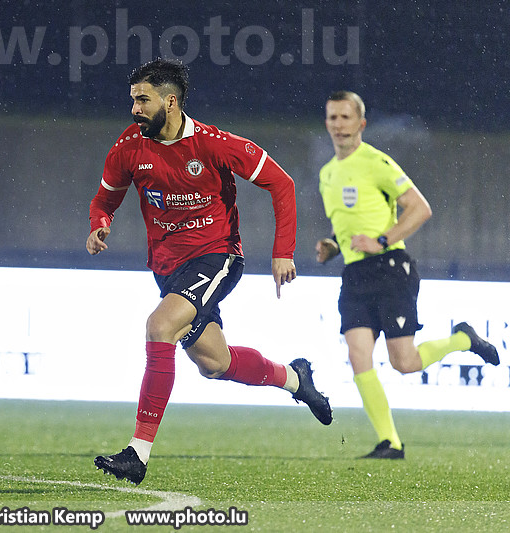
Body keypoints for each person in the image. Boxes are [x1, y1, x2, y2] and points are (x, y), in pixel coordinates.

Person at [86, 58, 332, 485]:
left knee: (159, 326)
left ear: (171, 101)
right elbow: (104, 199)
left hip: (217, 257)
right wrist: (99, 224)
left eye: (143, 100)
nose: (135, 109)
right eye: (133, 100)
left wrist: (283, 252)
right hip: (167, 268)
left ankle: (137, 453)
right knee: (215, 363)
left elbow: (282, 183)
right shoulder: (129, 146)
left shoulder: (214, 144)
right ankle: (296, 379)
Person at [315, 90, 500, 459]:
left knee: (405, 363)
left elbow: (420, 208)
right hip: (354, 274)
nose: (339, 125)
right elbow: (349, 222)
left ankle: (462, 339)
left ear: (361, 124)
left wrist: (382, 240)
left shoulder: (376, 162)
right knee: (358, 356)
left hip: (390, 270)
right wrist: (333, 245)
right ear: (327, 122)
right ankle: (391, 442)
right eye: (333, 117)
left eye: (346, 117)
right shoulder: (327, 173)